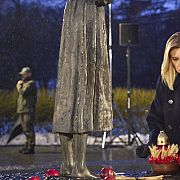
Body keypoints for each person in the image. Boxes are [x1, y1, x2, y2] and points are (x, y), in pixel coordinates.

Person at [52, 0, 113, 178]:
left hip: (72, 15)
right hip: (88, 18)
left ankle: (67, 165)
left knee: (69, 86)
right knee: (83, 87)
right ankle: (79, 167)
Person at [16, 67, 37, 154]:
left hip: (28, 110)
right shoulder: (25, 83)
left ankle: (31, 147)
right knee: (25, 129)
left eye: (24, 74)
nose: (22, 76)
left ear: (28, 74)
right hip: (22, 110)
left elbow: (23, 92)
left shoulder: (31, 84)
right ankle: (26, 145)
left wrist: (18, 85)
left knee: (29, 128)